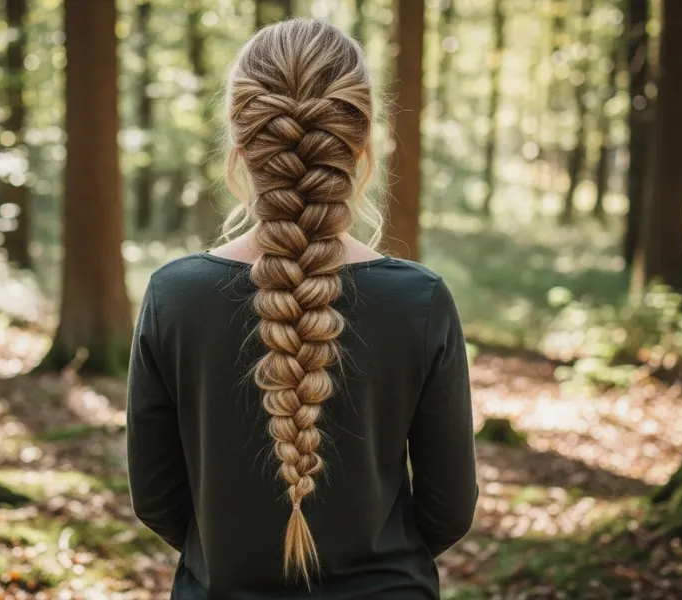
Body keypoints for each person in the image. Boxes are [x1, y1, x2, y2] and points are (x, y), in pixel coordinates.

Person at [126, 18, 478, 600]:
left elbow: (157, 498)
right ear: (360, 145)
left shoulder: (174, 296)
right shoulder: (420, 301)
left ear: (240, 144)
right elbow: (449, 509)